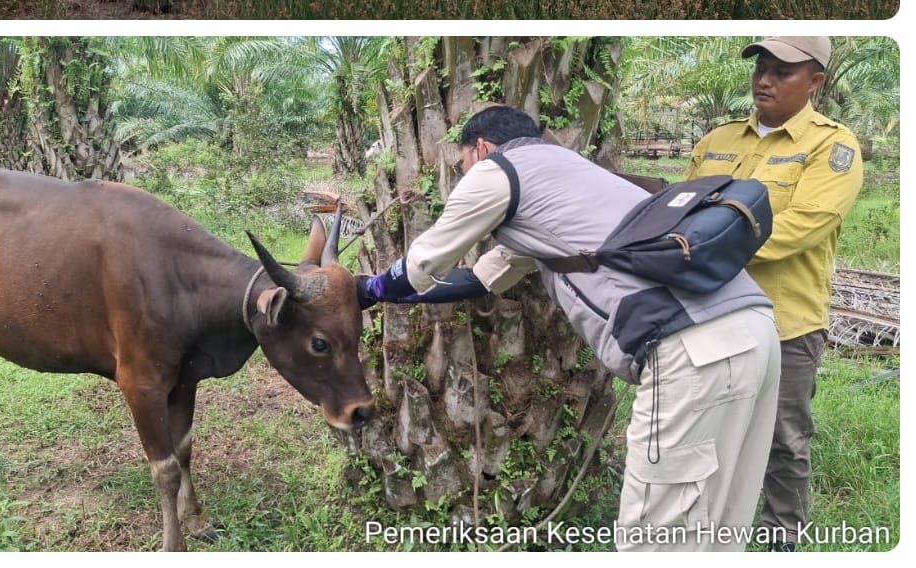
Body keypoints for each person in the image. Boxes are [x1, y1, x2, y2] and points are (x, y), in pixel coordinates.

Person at [358, 105, 781, 552]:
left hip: (691, 350)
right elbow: (479, 278)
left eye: (461, 163)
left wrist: (368, 288)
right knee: (720, 526)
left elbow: (423, 264)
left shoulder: (497, 171)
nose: (461, 174)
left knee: (653, 541)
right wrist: (390, 294)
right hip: (755, 329)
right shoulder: (568, 176)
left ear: (479, 148)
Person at [685, 36, 863, 551]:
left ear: (815, 81)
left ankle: (782, 535)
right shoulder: (718, 139)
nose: (765, 79)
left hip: (784, 321)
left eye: (783, 71)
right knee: (707, 425)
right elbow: (683, 206)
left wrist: (701, 244)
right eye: (761, 67)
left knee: (783, 438)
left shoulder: (832, 147)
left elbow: (799, 227)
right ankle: (706, 526)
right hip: (706, 311)